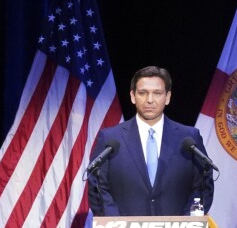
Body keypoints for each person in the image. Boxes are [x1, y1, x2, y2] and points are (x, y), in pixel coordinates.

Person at [88, 65, 215, 216]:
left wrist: (186, 224)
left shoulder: (189, 137)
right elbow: (98, 188)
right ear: (133, 96)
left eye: (157, 93)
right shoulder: (110, 139)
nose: (150, 100)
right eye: (143, 93)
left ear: (167, 97)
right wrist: (117, 225)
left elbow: (201, 186)